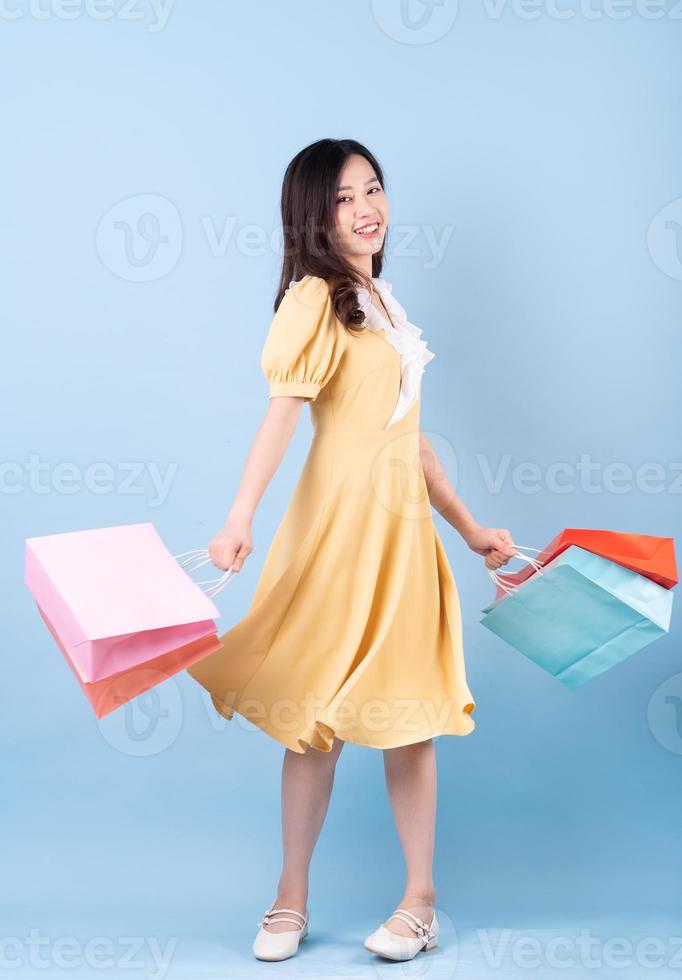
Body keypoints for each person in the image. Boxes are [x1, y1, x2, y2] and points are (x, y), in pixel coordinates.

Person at [186, 138, 516, 963]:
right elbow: (281, 415)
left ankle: (420, 901)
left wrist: (473, 531)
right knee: (313, 725)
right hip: (338, 535)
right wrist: (239, 516)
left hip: (402, 540)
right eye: (342, 198)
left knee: (409, 718)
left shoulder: (386, 306)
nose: (366, 208)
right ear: (312, 214)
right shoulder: (314, 299)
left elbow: (413, 442)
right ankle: (289, 898)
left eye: (373, 189)